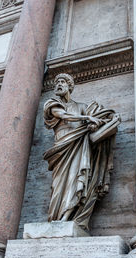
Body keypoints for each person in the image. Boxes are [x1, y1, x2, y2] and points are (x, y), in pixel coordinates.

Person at [43, 73, 120, 230]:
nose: (59, 85)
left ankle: (66, 218)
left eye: (63, 82)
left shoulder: (83, 107)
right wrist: (87, 119)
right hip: (62, 149)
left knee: (77, 179)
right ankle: (56, 217)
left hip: (80, 146)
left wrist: (107, 120)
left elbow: (96, 122)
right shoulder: (51, 104)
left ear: (70, 86)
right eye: (56, 83)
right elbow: (63, 115)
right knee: (58, 186)